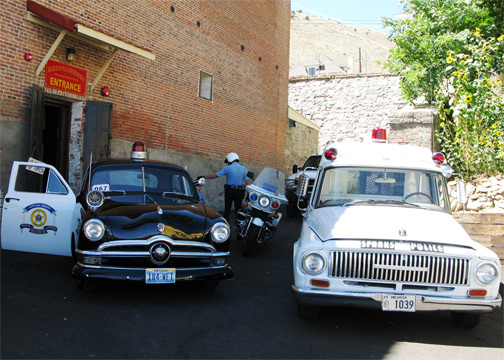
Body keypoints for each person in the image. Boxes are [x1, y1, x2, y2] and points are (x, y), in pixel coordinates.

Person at [205, 152, 249, 221]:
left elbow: (214, 176)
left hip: (229, 191)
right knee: (238, 210)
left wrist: (205, 177)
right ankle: (239, 225)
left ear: (230, 160)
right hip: (239, 192)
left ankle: (226, 223)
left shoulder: (227, 168)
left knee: (227, 209)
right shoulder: (244, 168)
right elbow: (247, 182)